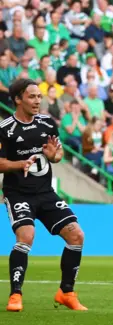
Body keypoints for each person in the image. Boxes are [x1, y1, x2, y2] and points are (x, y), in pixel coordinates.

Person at [0, 79, 87, 312]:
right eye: (32, 97)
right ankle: (15, 295)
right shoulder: (5, 129)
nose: (37, 101)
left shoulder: (47, 123)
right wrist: (20, 164)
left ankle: (66, 292)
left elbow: (57, 155)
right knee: (26, 236)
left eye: (39, 96)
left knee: (77, 236)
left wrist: (54, 156)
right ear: (18, 99)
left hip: (45, 192)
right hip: (17, 193)